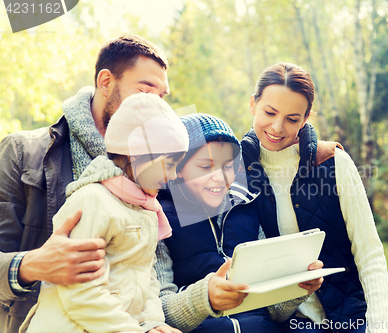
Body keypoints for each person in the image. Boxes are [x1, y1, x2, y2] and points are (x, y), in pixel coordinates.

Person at [0, 34, 170, 333]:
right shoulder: (21, 152)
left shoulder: (155, 171)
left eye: (162, 98)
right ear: (105, 82)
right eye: (145, 92)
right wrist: (29, 265)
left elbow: (151, 273)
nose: (155, 106)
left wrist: (160, 321)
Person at [241, 63, 388, 333]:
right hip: (287, 323)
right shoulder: (234, 171)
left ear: (306, 118)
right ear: (253, 104)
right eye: (269, 112)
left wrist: (380, 326)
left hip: (351, 316)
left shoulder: (333, 162)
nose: (277, 127)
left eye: (292, 118)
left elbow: (369, 253)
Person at [21, 93, 187, 333]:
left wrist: (152, 324)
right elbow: (80, 293)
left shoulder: (146, 209)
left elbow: (146, 277)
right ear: (138, 155)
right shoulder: (93, 201)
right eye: (169, 165)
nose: (172, 176)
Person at [154, 113, 323, 333]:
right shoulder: (158, 219)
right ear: (177, 168)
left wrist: (297, 289)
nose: (219, 177)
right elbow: (157, 310)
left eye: (228, 166)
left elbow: (271, 311)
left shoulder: (247, 208)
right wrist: (205, 298)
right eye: (206, 167)